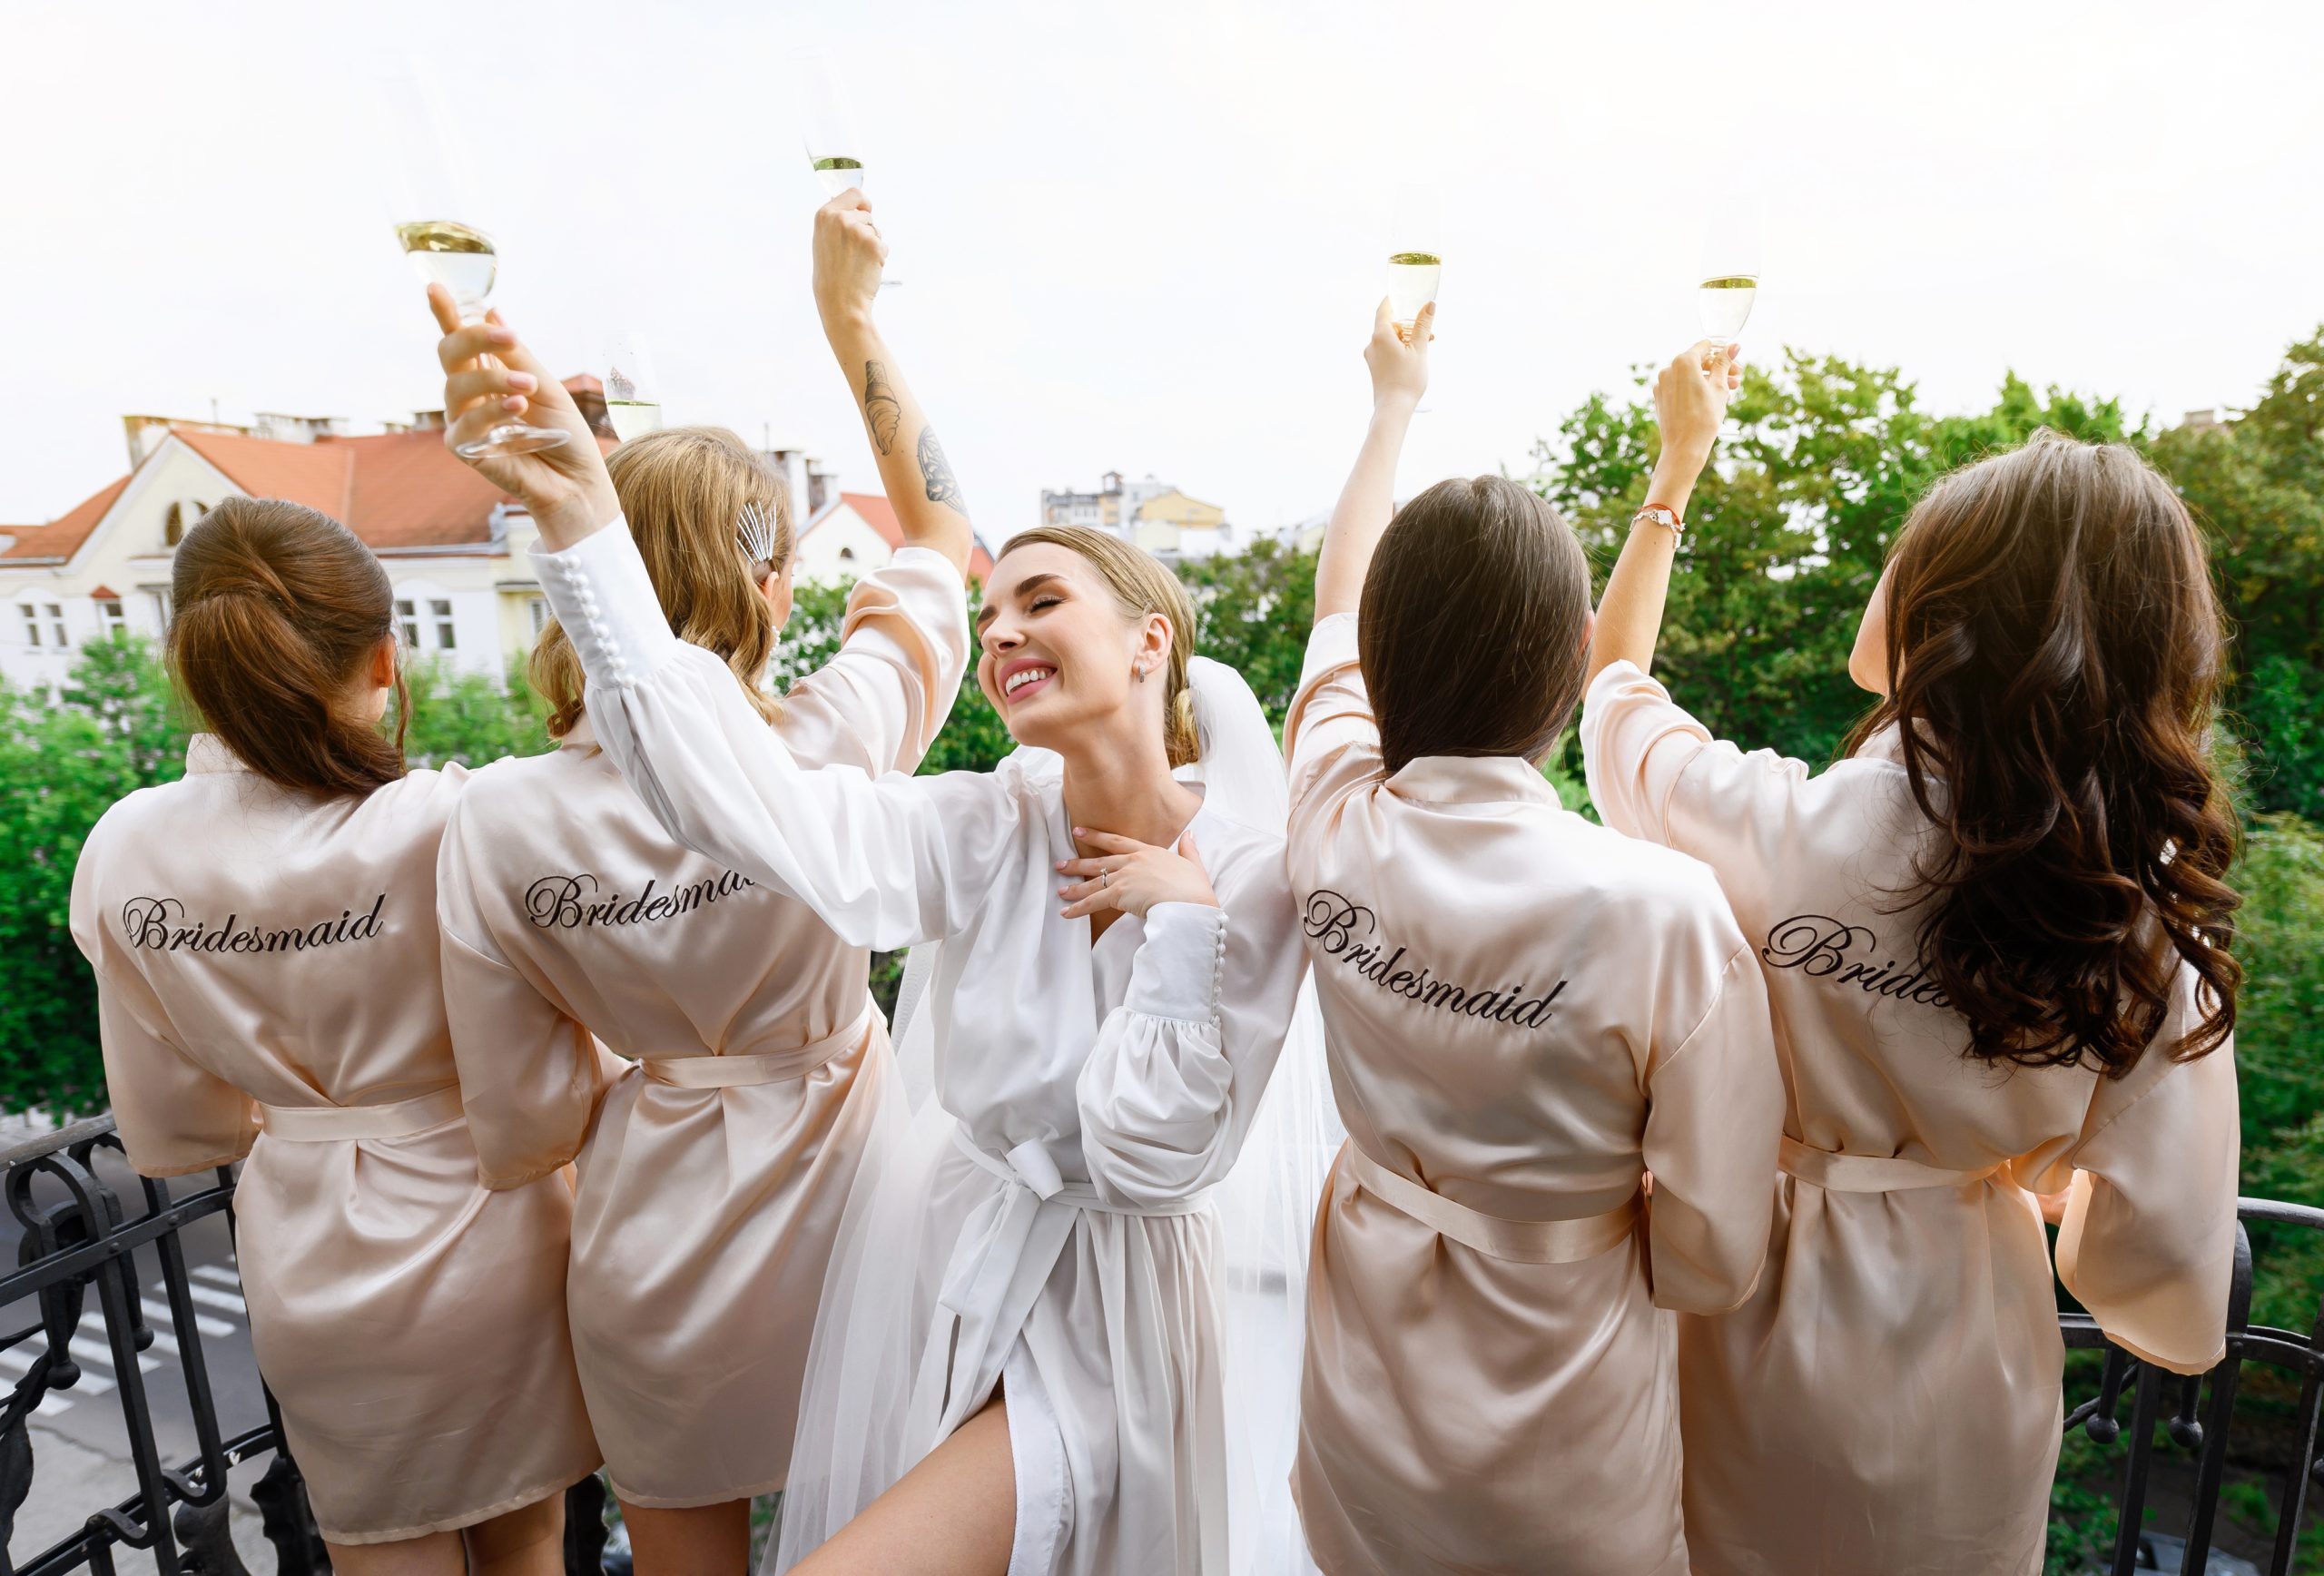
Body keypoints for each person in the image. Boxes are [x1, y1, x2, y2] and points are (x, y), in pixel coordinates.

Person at [430, 187, 1319, 1576]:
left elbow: (1155, 1154)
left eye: (1043, 600)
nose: (1005, 626)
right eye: (995, 606)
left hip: (1111, 1334)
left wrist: (1187, 928)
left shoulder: (1249, 873)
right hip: (943, 1293)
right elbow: (758, 813)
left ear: (1153, 643)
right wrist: (585, 531)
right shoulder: (975, 820)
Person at [1581, 343, 2243, 1574]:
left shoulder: (1772, 827)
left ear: (1956, 619)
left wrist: (1678, 464)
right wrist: (2032, 1167)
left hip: (1739, 1314)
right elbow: (2160, 1245)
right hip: (1966, 1350)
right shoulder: (2134, 908)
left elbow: (1612, 689)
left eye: (1907, 557)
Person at [430, 198, 973, 1576]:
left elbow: (521, 1124)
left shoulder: (494, 822)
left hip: (652, 1248)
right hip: (859, 1223)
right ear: (774, 580)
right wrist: (851, 319)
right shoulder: (833, 740)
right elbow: (945, 528)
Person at [1278, 301, 1785, 1575]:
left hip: (1362, 1406)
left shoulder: (1333, 819)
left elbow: (1337, 609)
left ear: (1375, 670)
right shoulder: (1660, 910)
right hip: (1565, 1434)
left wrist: (1393, 403)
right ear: (1573, 657)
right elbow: (1717, 1252)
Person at [68, 498, 601, 1576]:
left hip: (307, 1250)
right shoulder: (458, 821)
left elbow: (179, 1122)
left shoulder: (125, 846)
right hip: (491, 1225)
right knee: (528, 1536)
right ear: (384, 660)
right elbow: (558, 1043)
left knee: (375, 1545)